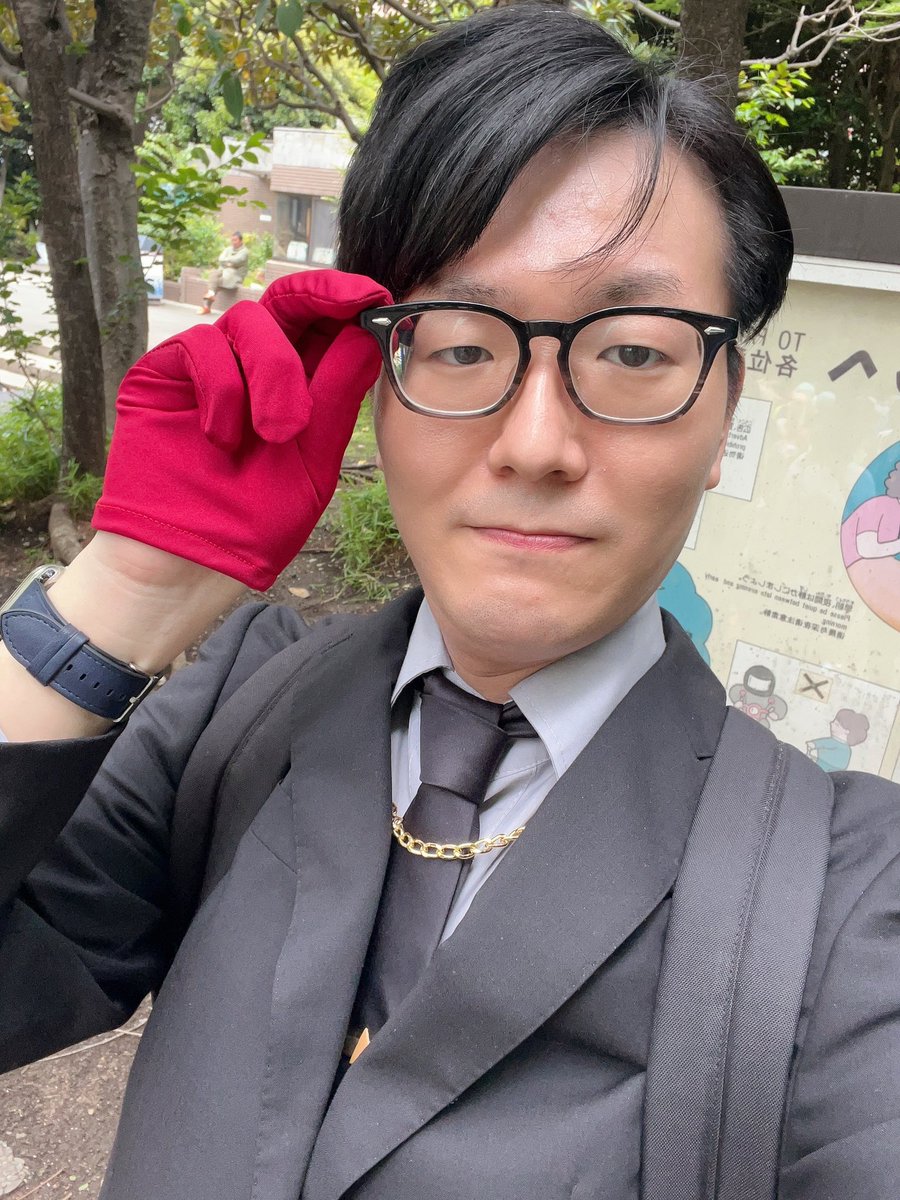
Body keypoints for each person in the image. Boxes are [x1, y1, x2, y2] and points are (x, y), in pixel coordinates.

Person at [1, 7, 899, 1198]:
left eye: (634, 351)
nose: (536, 445)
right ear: (377, 373)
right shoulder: (234, 717)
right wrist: (126, 592)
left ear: (726, 398)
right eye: (462, 343)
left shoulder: (847, 895)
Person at [197, 231, 249, 314]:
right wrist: (230, 264)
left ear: (241, 241)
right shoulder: (228, 249)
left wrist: (227, 262)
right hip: (224, 272)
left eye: (235, 240)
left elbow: (237, 260)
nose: (233, 242)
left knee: (214, 283)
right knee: (213, 274)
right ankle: (210, 296)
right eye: (232, 240)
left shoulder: (244, 251)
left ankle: (206, 307)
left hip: (235, 276)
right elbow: (221, 259)